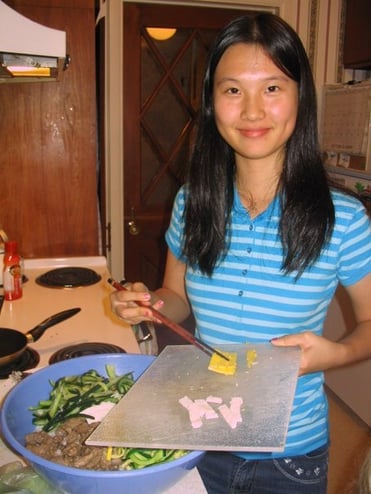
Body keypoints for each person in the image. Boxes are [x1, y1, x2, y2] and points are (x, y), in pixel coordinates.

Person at [111, 12, 371, 494]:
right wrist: (147, 304)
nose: (252, 111)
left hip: (292, 454)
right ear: (212, 103)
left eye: (272, 88)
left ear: (300, 97)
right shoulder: (193, 201)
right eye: (233, 90)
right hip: (199, 436)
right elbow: (175, 295)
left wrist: (334, 353)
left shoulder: (345, 218)